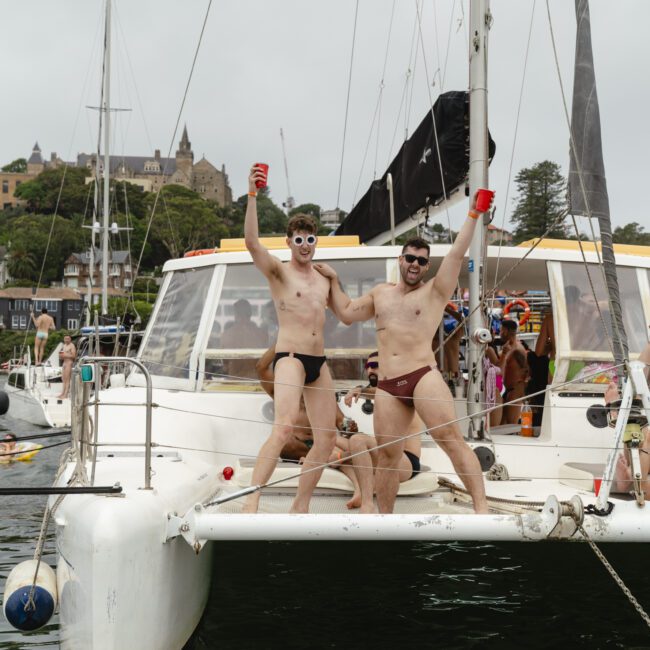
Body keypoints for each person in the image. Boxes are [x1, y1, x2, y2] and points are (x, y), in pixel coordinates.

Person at [318, 191, 491, 514]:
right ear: (400, 259)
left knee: (451, 439)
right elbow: (345, 312)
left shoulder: (434, 291)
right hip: (388, 384)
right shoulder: (380, 294)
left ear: (427, 266)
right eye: (410, 258)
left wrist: (473, 214)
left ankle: (482, 509)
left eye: (422, 261)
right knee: (387, 454)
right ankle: (385, 519)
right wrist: (333, 281)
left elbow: (456, 253)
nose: (415, 264)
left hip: (422, 374)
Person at [242, 164, 336, 513]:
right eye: (299, 240)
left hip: (318, 361)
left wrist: (338, 280)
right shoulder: (280, 272)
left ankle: (301, 504)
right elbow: (252, 243)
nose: (305, 245)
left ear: (316, 241)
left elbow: (344, 311)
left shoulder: (324, 277)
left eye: (310, 239)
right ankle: (251, 500)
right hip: (291, 357)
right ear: (289, 242)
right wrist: (253, 194)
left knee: (325, 440)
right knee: (283, 429)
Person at [338, 352, 422, 512]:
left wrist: (360, 390)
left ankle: (367, 504)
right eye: (367, 366)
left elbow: (390, 393)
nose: (370, 370)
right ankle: (359, 489)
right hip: (384, 454)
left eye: (375, 366)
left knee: (357, 441)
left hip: (405, 461)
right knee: (332, 442)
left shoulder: (404, 391)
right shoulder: (382, 396)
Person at [500, 319, 529, 425]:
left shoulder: (518, 349)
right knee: (503, 425)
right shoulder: (509, 348)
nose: (500, 334)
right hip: (509, 390)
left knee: (511, 425)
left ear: (506, 331)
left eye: (501, 331)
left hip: (516, 390)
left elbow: (527, 369)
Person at [57, 335, 77, 399]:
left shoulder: (72, 346)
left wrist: (65, 355)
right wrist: (61, 356)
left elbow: (74, 356)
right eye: (65, 338)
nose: (66, 340)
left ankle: (65, 394)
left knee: (67, 379)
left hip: (69, 362)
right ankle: (62, 393)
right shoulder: (64, 345)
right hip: (64, 363)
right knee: (63, 379)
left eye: (68, 338)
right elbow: (63, 355)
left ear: (70, 339)